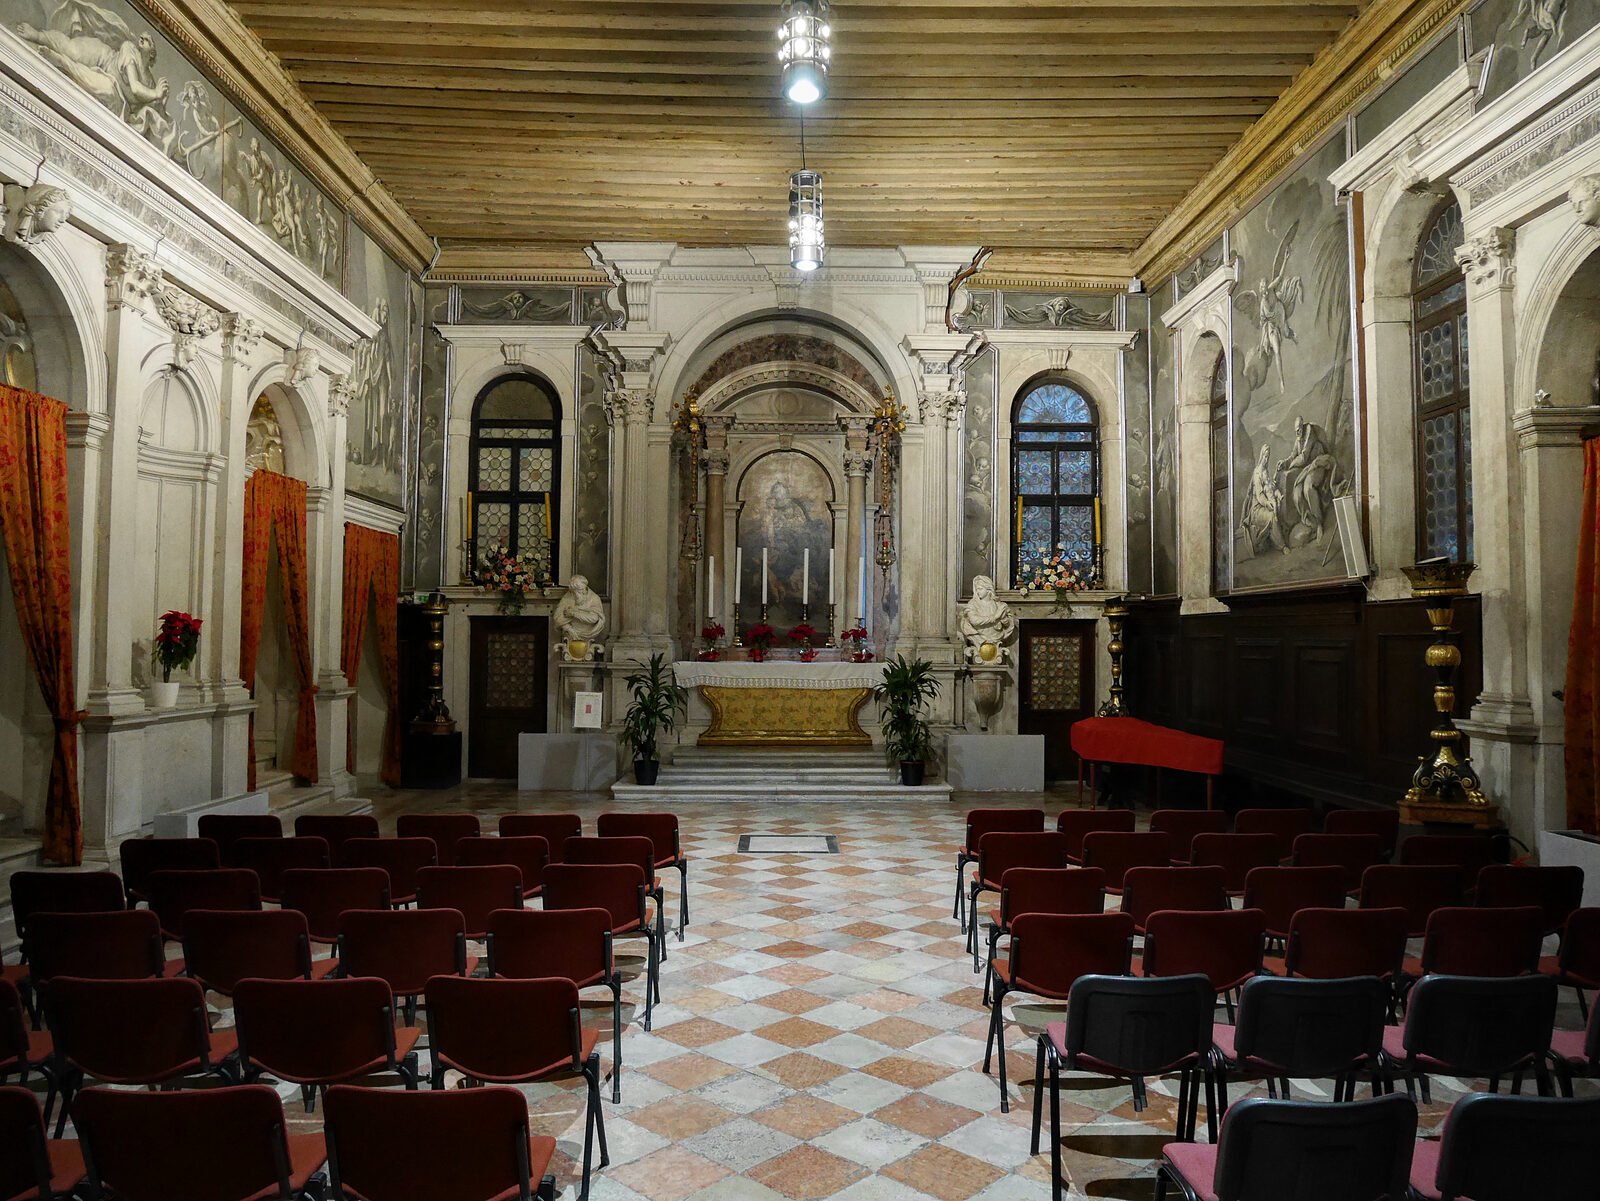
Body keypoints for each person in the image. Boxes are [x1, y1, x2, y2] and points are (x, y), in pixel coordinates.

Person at [959, 574, 1017, 659]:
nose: (978, 592)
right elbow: (974, 620)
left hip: (995, 636)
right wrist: (995, 617)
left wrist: (1004, 619)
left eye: (980, 589)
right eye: (977, 589)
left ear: (988, 589)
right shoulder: (973, 604)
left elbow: (1007, 624)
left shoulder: (999, 605)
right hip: (980, 637)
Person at [553, 575, 606, 645]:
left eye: (581, 590)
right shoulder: (568, 597)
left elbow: (594, 618)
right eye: (576, 591)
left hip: (588, 633)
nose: (581, 592)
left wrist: (573, 613)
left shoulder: (594, 598)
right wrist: (568, 628)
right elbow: (557, 617)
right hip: (570, 633)